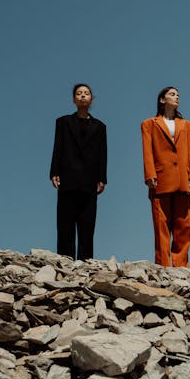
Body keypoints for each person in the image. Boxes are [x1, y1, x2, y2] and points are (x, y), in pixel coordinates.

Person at [141, 87, 190, 267]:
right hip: (160, 179)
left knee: (183, 226)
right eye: (172, 94)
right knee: (161, 226)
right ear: (162, 100)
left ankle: (182, 266)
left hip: (183, 179)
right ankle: (163, 266)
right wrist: (150, 174)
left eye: (178, 95)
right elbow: (147, 151)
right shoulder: (149, 124)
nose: (177, 97)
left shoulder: (187, 125)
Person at [49, 83, 107, 260]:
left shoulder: (100, 126)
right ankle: (65, 260)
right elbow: (57, 147)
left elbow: (102, 153)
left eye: (86, 93)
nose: (83, 96)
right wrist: (54, 172)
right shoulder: (63, 122)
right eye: (79, 93)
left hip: (90, 179)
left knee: (87, 222)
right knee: (65, 221)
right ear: (74, 99)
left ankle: (85, 261)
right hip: (68, 177)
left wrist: (102, 178)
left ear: (91, 99)